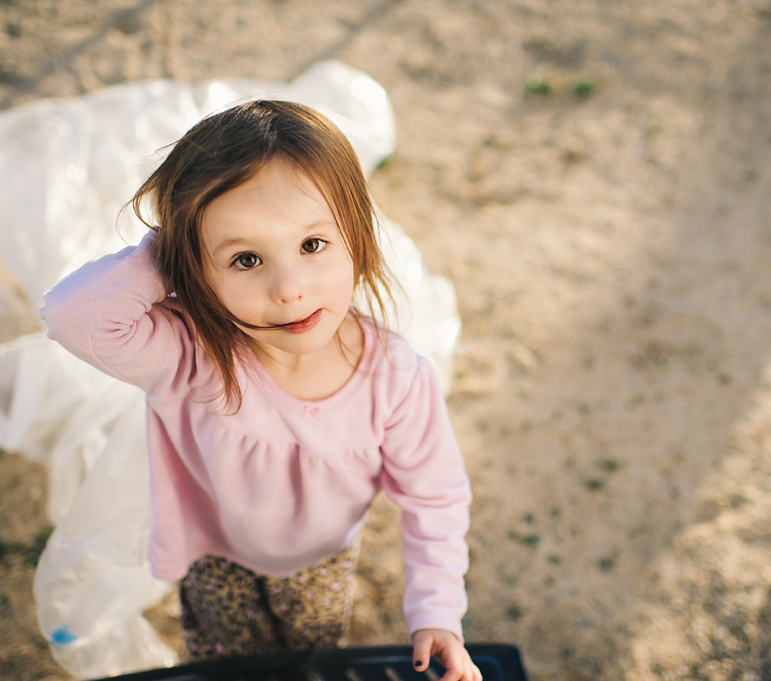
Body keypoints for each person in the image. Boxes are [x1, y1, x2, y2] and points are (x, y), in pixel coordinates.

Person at [40, 100, 481, 681]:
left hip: (320, 562)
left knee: (308, 665)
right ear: (196, 269)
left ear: (356, 233)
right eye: (247, 258)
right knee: (232, 669)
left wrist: (438, 611)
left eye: (313, 245)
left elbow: (435, 499)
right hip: (216, 557)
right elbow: (73, 315)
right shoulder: (192, 355)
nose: (289, 290)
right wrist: (178, 250)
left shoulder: (395, 380)